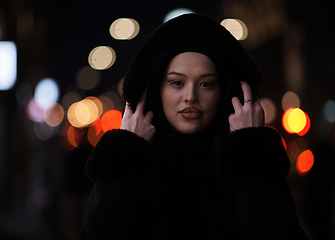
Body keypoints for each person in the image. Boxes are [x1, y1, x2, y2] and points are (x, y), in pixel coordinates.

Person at [78, 14, 308, 239]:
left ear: (226, 92)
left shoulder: (249, 161)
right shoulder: (129, 164)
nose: (191, 96)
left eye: (206, 84)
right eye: (177, 83)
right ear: (156, 90)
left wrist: (249, 150)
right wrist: (128, 153)